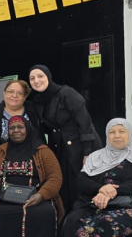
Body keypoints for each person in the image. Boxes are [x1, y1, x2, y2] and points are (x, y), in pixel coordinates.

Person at [26, 64, 102, 212]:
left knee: (83, 184)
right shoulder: (38, 101)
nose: (36, 81)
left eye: (40, 76)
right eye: (32, 78)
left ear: (48, 77)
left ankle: (87, 221)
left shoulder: (66, 93)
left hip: (82, 146)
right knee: (66, 187)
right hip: (61, 148)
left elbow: (85, 124)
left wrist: (87, 153)